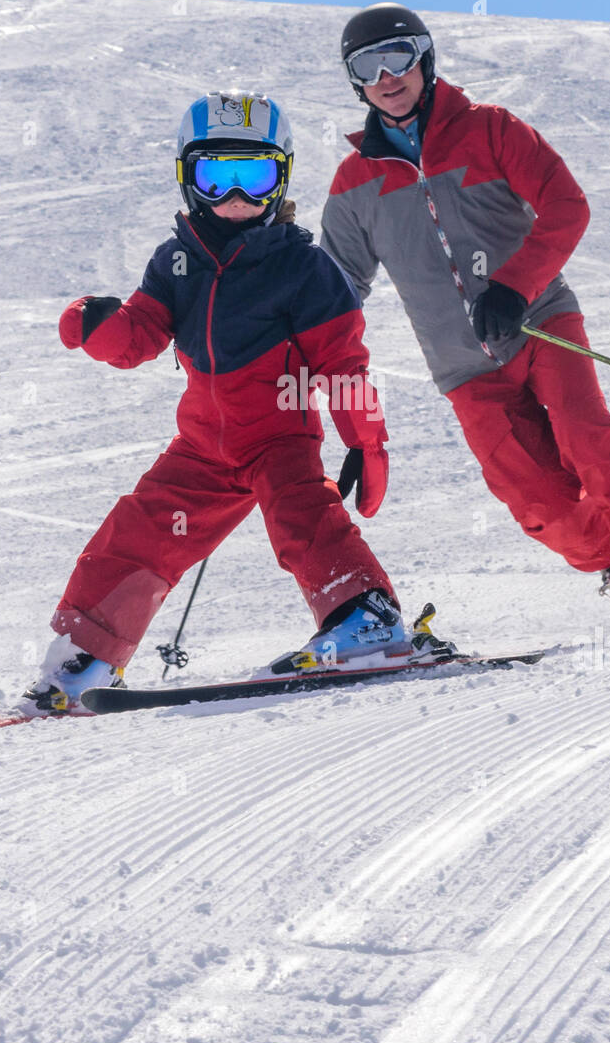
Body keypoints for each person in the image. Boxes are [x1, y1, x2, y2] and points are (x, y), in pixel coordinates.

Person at [319, 4, 610, 626]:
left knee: (589, 440)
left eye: (398, 56)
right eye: (366, 66)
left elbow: (567, 205)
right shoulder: (354, 183)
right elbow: (337, 286)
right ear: (355, 82)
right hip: (462, 365)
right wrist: (286, 331)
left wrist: (514, 285)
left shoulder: (491, 130)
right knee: (533, 494)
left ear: (424, 59)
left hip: (538, 323)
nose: (386, 76)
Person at [21, 91, 418, 717]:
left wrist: (366, 442)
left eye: (254, 176)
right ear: (187, 178)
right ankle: (84, 656)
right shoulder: (176, 262)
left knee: (301, 517)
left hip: (277, 437)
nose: (235, 195)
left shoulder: (304, 268)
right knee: (140, 532)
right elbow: (141, 337)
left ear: (280, 176)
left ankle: (365, 619)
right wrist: (100, 329)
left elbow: (344, 366)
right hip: (202, 448)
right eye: (216, 175)